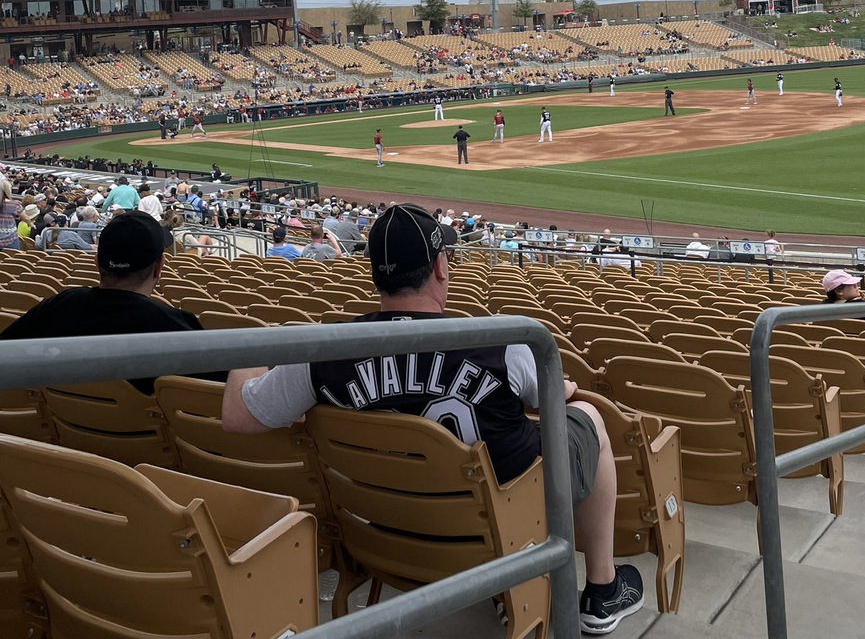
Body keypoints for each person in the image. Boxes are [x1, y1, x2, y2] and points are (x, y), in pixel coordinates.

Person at [222, 202, 644, 634]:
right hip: (498, 525)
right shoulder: (507, 345)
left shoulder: (321, 353)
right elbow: (563, 396)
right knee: (587, 414)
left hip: (384, 528)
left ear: (375, 273)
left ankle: (520, 583)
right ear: (440, 267)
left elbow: (238, 416)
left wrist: (254, 350)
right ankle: (603, 589)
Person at [0, 213, 221, 393]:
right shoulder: (179, 326)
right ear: (159, 266)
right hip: (151, 442)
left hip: (55, 437)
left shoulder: (58, 305)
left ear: (97, 262)